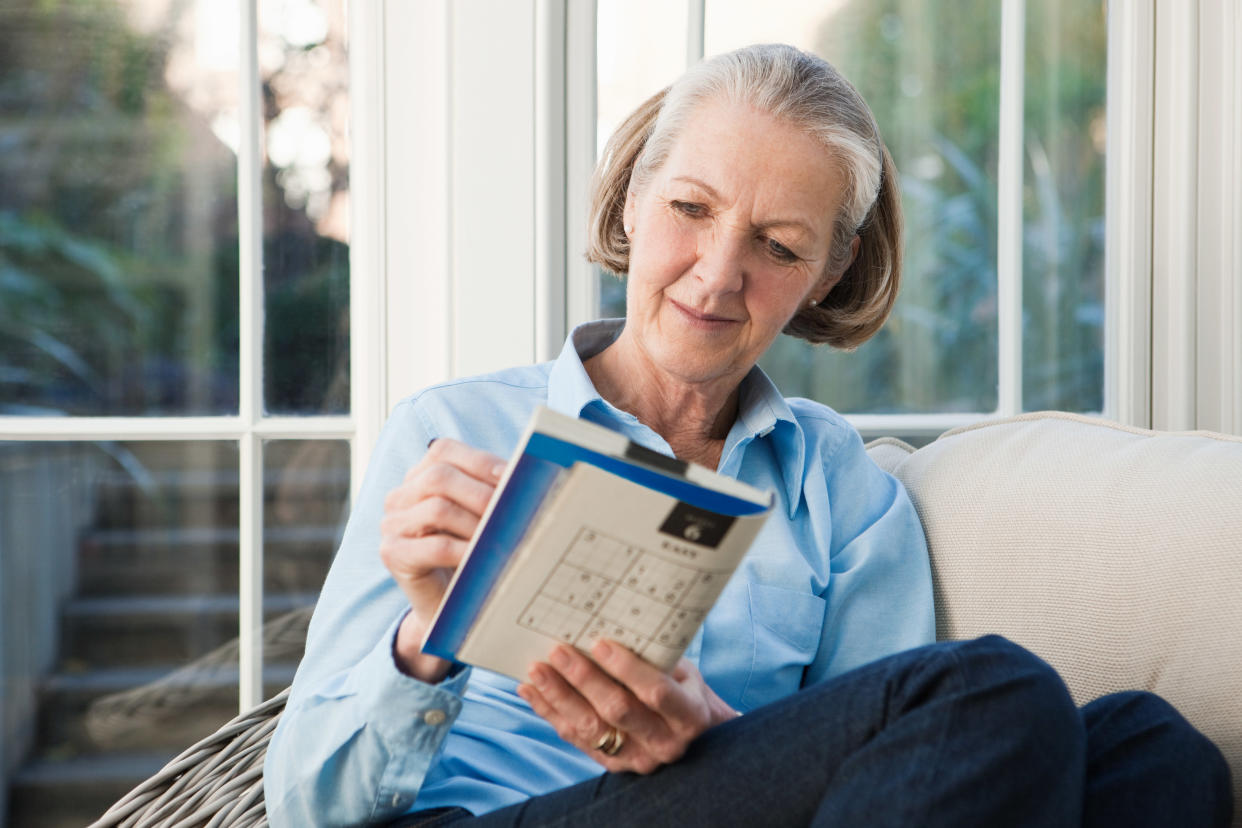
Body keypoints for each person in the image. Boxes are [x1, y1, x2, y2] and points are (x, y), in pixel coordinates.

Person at [263, 44, 1232, 827]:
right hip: (499, 814)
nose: (719, 274)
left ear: (829, 269)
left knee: (1156, 750)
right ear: (636, 200)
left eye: (778, 246)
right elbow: (303, 802)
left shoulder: (840, 491)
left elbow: (897, 766)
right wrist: (427, 639)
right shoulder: (454, 431)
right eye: (690, 209)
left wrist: (711, 733)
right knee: (998, 694)